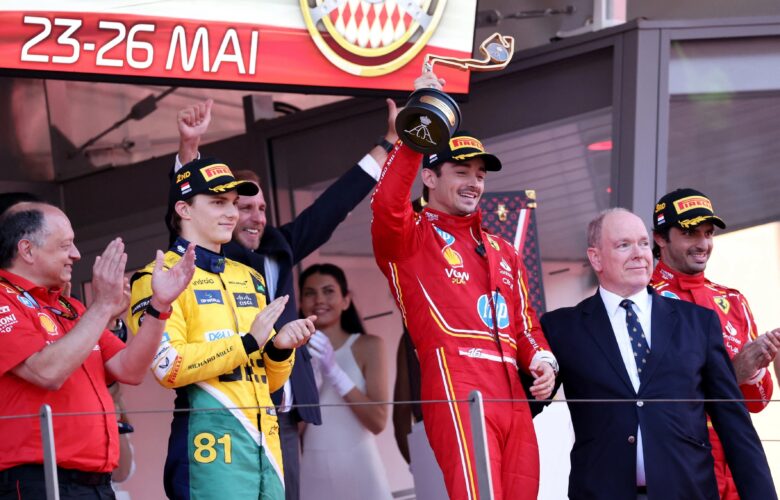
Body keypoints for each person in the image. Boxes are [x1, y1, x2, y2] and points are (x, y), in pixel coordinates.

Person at [173, 97, 397, 500]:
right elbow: (181, 217)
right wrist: (189, 151)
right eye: (244, 207)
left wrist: (390, 141)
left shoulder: (282, 244)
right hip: (231, 414)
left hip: (287, 418)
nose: (257, 217)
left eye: (262, 208)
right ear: (219, 211)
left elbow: (336, 204)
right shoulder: (210, 257)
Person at [371, 71, 558, 500]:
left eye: (480, 174)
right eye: (461, 171)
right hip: (457, 385)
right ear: (430, 177)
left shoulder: (502, 250)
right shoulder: (409, 237)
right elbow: (387, 203)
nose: (474, 182)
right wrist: (420, 126)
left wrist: (543, 363)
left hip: (513, 394)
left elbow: (525, 325)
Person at [540, 208, 776, 499]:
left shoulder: (698, 322)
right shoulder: (562, 327)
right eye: (624, 245)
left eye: (642, 243)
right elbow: (522, 403)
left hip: (688, 492)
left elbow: (735, 424)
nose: (639, 253)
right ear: (596, 257)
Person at [128, 157, 315, 499]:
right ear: (184, 209)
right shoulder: (156, 278)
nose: (231, 213)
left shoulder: (249, 277)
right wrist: (246, 343)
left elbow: (268, 382)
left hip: (266, 447)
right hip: (209, 446)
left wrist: (279, 349)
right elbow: (168, 366)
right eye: (217, 202)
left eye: (232, 203)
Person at [0, 201, 195, 500]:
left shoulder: (68, 306)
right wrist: (102, 306)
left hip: (98, 481)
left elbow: (130, 369)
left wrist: (160, 307)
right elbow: (46, 372)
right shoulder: (4, 299)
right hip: (40, 480)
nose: (76, 255)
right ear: (27, 250)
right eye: (66, 245)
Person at [650, 188, 780, 499]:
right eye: (690, 233)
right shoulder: (642, 301)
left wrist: (758, 368)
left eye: (708, 233)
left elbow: (757, 403)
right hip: (677, 463)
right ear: (660, 238)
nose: (703, 244)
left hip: (736, 463)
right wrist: (731, 373)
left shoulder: (733, 300)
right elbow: (652, 398)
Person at [297, 263, 392, 500]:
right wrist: (314, 385)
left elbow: (378, 421)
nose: (319, 299)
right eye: (310, 293)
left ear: (346, 300)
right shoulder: (292, 354)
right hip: (313, 472)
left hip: (361, 469)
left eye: (329, 291)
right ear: (300, 303)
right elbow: (292, 431)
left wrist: (335, 374)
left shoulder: (369, 345)